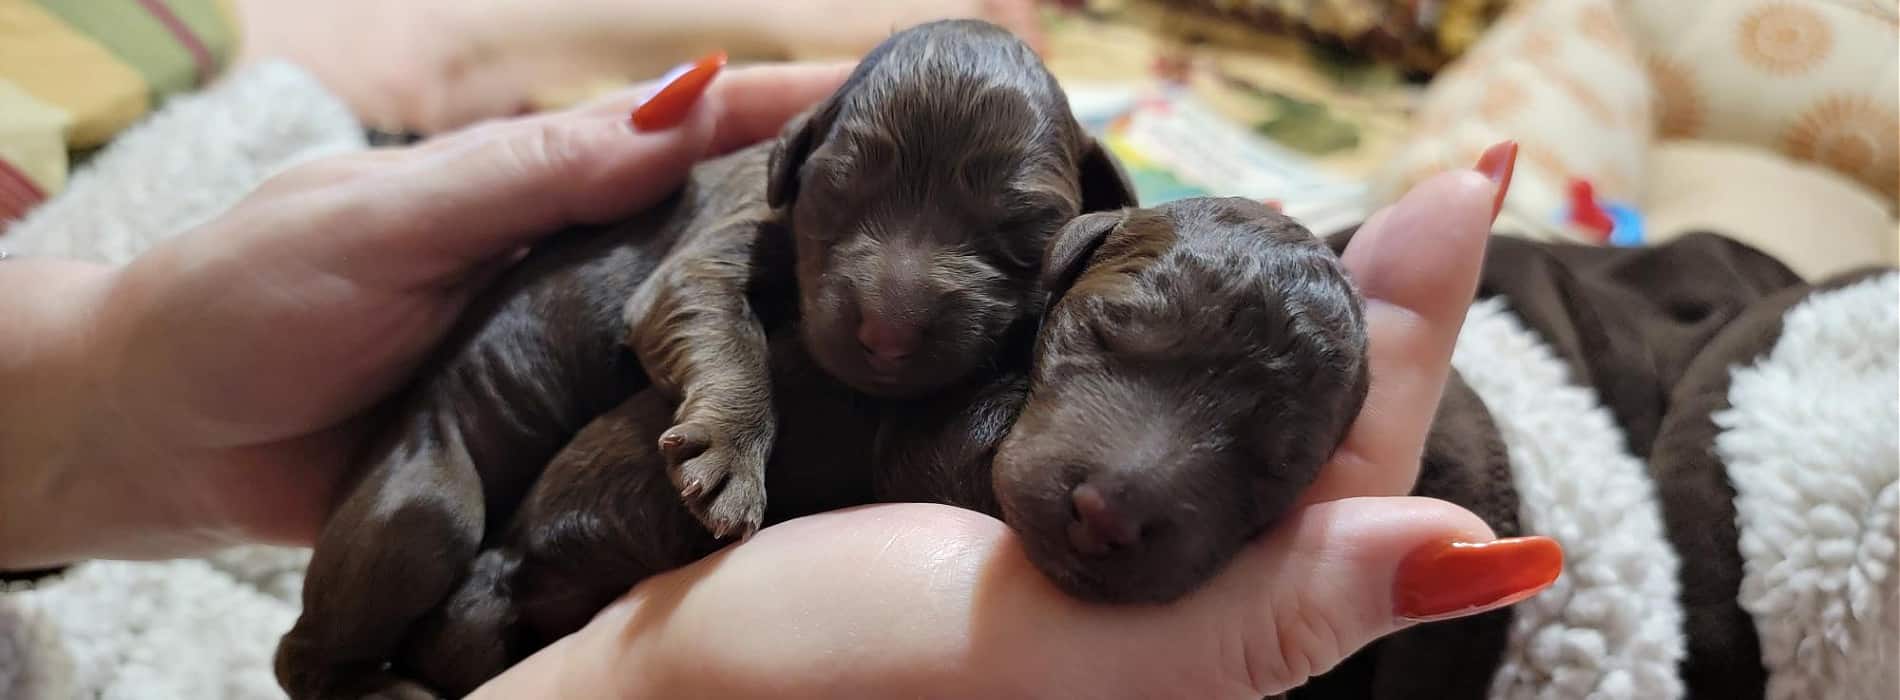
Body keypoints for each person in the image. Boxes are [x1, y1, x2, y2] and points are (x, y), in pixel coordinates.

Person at [0, 56, 1554, 697]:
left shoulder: (1067, 299)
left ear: (1073, 231)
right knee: (408, 540)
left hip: (555, 541)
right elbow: (682, 304)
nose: (887, 304)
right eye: (856, 202)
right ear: (804, 161)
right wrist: (121, 379)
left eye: (998, 239)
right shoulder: (743, 221)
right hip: (470, 451)